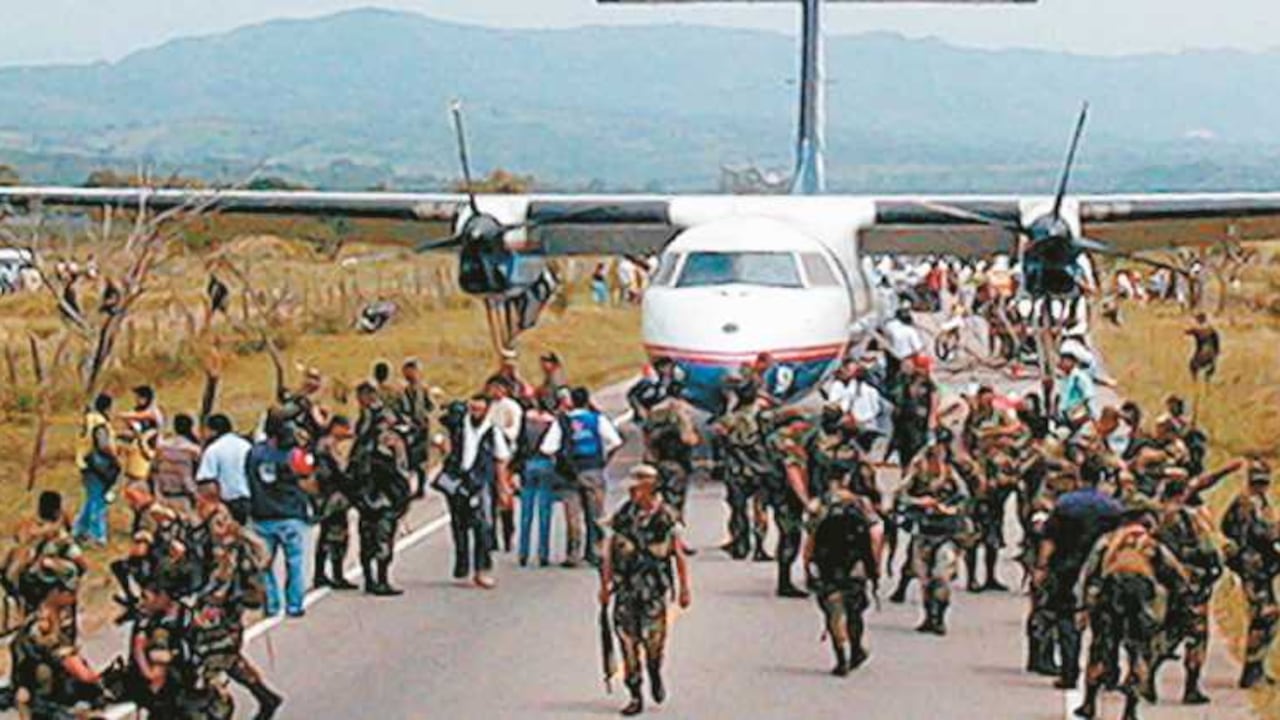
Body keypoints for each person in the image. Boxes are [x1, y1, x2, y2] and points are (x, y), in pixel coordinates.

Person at [1074, 503, 1188, 720]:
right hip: (1141, 597)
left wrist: (1083, 606)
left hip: (1110, 594)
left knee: (1100, 648)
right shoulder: (1150, 544)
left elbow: (1088, 573)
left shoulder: (1108, 541)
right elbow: (1177, 575)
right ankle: (1130, 710)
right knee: (1138, 652)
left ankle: (1089, 703)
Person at [598, 465, 692, 717]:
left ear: (649, 487)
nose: (632, 493)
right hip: (626, 589)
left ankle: (654, 673)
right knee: (628, 643)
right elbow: (608, 552)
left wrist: (684, 589)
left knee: (654, 643)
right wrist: (605, 586)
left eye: (636, 488)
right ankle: (635, 693)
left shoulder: (666, 517)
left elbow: (678, 554)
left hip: (653, 591)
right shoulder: (623, 516)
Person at [189, 477, 283, 719]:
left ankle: (219, 710)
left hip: (225, 603)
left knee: (211, 655)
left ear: (203, 499)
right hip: (229, 600)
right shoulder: (216, 520)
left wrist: (211, 602)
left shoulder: (219, 523)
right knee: (227, 655)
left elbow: (224, 568)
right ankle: (265, 697)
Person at [1034, 458, 1124, 690]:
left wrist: (1042, 567)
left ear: (1079, 476)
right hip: (1102, 570)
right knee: (1107, 622)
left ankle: (1069, 672)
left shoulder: (1065, 504)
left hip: (1066, 567)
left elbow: (1050, 538)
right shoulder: (1113, 507)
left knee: (1066, 619)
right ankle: (1109, 672)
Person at [803, 466, 884, 676]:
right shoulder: (861, 503)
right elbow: (875, 535)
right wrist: (874, 568)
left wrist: (808, 567)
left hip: (828, 562)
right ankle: (856, 648)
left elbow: (811, 539)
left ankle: (841, 658)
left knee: (833, 609)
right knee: (854, 609)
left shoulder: (818, 505)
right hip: (855, 562)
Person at [540, 387, 624, 566]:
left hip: (568, 474)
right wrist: (604, 460)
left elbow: (547, 448)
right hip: (593, 470)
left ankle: (573, 553)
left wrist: (559, 462)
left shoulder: (561, 422)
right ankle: (595, 550)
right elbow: (615, 442)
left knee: (572, 515)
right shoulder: (596, 420)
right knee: (595, 514)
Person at [8, 565, 105, 719]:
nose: (74, 596)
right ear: (55, 592)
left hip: (58, 688)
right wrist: (91, 676)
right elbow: (66, 658)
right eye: (70, 592)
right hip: (38, 695)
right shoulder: (41, 624)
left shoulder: (61, 614)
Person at [439, 395, 513, 589]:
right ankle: (462, 568)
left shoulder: (493, 431)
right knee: (459, 526)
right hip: (458, 481)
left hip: (481, 483)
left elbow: (501, 459)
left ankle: (483, 569)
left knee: (483, 526)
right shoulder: (458, 427)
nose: (475, 413)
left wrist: (503, 487)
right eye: (473, 409)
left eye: (480, 409)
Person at [899, 439, 969, 635]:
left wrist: (948, 508)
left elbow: (964, 497)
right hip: (923, 530)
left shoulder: (951, 475)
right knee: (924, 578)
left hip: (946, 531)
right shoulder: (916, 473)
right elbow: (901, 495)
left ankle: (940, 618)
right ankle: (929, 616)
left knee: (941, 576)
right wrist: (921, 502)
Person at [1220, 459, 1280, 689]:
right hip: (1254, 567)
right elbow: (1258, 532)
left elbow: (1227, 525)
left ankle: (1256, 668)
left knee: (1265, 617)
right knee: (1263, 617)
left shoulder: (1253, 500)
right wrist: (1274, 532)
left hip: (1258, 565)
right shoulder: (1247, 502)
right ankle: (1252, 672)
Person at [246, 413, 313, 618]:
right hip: (290, 515)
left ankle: (272, 605)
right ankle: (294, 605)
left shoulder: (254, 453)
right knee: (295, 563)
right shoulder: (294, 455)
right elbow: (308, 478)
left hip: (262, 515)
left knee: (264, 564)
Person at [352, 383, 414, 596]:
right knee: (378, 539)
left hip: (376, 495)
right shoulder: (371, 439)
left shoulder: (372, 433)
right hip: (378, 496)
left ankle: (375, 579)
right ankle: (376, 579)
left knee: (374, 538)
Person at [710, 382, 773, 561]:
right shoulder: (763, 416)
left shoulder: (731, 418)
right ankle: (760, 547)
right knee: (760, 510)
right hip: (761, 469)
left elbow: (717, 432)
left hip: (736, 470)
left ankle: (740, 545)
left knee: (738, 510)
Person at [312, 416, 358, 590]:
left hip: (328, 497)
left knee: (327, 535)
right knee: (336, 535)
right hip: (332, 497)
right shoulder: (327, 446)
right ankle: (334, 574)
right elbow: (339, 471)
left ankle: (322, 573)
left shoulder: (325, 444)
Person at [515, 404, 561, 567]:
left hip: (528, 463)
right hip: (546, 464)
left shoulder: (526, 419)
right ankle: (543, 553)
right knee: (544, 511)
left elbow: (518, 443)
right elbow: (555, 446)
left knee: (526, 512)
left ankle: (523, 552)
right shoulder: (552, 422)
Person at [74, 392, 118, 547]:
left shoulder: (89, 419)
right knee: (98, 502)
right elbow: (103, 445)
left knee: (92, 498)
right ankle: (97, 536)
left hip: (86, 463)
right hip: (98, 466)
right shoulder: (100, 423)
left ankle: (79, 530)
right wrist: (114, 457)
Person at [486, 377, 525, 553]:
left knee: (505, 498)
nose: (494, 391)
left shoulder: (512, 407)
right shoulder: (488, 406)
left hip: (507, 455)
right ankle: (491, 535)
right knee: (490, 498)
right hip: (489, 454)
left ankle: (508, 534)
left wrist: (497, 432)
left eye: (498, 388)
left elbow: (514, 431)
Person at [197, 414, 254, 525]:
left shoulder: (213, 449)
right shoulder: (246, 445)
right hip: (251, 500)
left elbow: (207, 482)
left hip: (228, 503)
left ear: (213, 431)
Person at [148, 413, 202, 517]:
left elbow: (153, 472)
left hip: (162, 496)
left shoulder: (162, 448)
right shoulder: (194, 450)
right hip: (183, 497)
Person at [398, 358, 436, 499]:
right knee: (407, 459)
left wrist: (425, 417)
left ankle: (421, 487)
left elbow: (431, 406)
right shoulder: (402, 390)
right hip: (408, 427)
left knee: (421, 460)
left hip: (421, 428)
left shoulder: (423, 389)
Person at [1185, 313, 1220, 382]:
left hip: (1202, 353)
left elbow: (1187, 331)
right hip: (1211, 353)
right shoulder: (1211, 330)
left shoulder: (1197, 330)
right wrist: (1216, 353)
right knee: (1211, 366)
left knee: (1192, 365)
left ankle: (1195, 381)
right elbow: (1217, 343)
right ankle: (1207, 379)